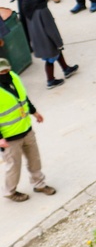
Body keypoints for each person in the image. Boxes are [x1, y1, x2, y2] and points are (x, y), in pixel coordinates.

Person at [0, 57, 56, 202]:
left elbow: (23, 98)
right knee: (13, 167)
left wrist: (34, 112)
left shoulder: (14, 77)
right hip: (9, 137)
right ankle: (10, 192)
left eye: (6, 70)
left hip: (26, 129)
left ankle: (39, 184)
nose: (4, 73)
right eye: (1, 72)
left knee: (34, 160)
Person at [21, 0, 79, 88]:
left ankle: (66, 69)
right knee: (50, 58)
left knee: (57, 53)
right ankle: (50, 80)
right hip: (46, 38)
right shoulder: (41, 8)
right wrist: (58, 41)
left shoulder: (26, 2)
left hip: (37, 36)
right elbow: (50, 28)